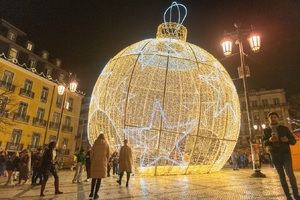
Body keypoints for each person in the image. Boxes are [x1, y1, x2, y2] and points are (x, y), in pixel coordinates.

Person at [263, 112, 299, 200]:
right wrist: (269, 140)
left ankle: (296, 195)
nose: (273, 118)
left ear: (278, 118)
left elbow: (293, 141)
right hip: (274, 155)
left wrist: (287, 139)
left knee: (290, 174)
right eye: (271, 117)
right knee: (281, 176)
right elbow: (264, 143)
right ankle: (288, 197)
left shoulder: (284, 128)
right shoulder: (266, 130)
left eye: (275, 117)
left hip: (285, 154)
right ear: (269, 119)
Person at [89, 134, 110, 200]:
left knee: (94, 178)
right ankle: (95, 194)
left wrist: (92, 160)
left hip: (95, 163)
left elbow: (91, 153)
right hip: (102, 163)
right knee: (99, 179)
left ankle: (91, 192)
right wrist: (106, 161)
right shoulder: (106, 144)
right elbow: (108, 155)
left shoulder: (95, 143)